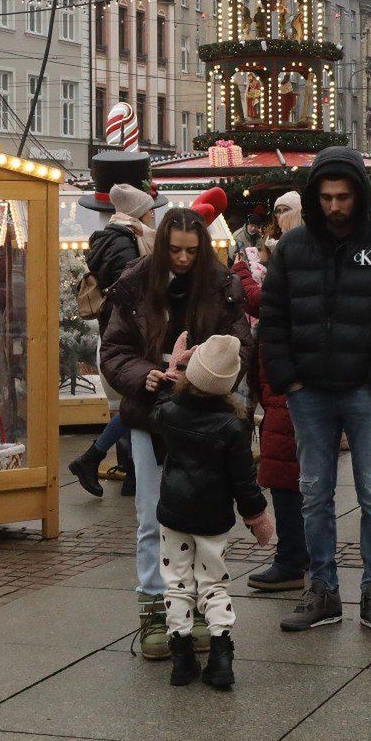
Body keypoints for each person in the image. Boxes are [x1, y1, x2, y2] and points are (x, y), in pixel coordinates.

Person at [259, 147, 371, 636]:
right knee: (314, 495)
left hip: (365, 391)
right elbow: (273, 318)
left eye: (343, 197)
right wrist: (289, 377)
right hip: (310, 392)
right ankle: (323, 589)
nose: (334, 206)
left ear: (359, 196)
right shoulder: (293, 247)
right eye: (326, 197)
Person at [99, 207, 254, 660]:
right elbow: (115, 350)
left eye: (191, 250)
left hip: (206, 415)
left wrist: (202, 368)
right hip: (151, 413)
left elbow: (241, 343)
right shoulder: (135, 283)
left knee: (206, 518)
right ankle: (155, 611)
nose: (183, 259)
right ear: (162, 244)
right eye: (174, 250)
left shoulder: (221, 283)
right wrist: (146, 374)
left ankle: (202, 608)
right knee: (152, 517)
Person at [150, 333, 275, 689]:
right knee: (213, 584)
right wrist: (257, 517)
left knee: (176, 583)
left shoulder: (171, 412)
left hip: (173, 512)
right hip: (212, 519)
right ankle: (220, 657)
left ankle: (182, 658)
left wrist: (173, 368)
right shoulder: (234, 425)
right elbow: (243, 481)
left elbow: (155, 411)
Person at [67, 182, 159, 496]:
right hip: (130, 333)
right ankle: (93, 457)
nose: (152, 220)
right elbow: (128, 286)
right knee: (139, 399)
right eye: (149, 213)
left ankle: (123, 472)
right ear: (138, 214)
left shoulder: (113, 238)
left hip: (120, 330)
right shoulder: (126, 242)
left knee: (135, 401)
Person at [246, 191, 310, 591]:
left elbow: (270, 305)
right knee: (287, 473)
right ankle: (299, 556)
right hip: (280, 381)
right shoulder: (286, 250)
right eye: (277, 211)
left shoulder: (295, 252)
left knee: (286, 473)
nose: (278, 216)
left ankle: (293, 560)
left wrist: (243, 276)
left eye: (285, 209)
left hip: (288, 381)